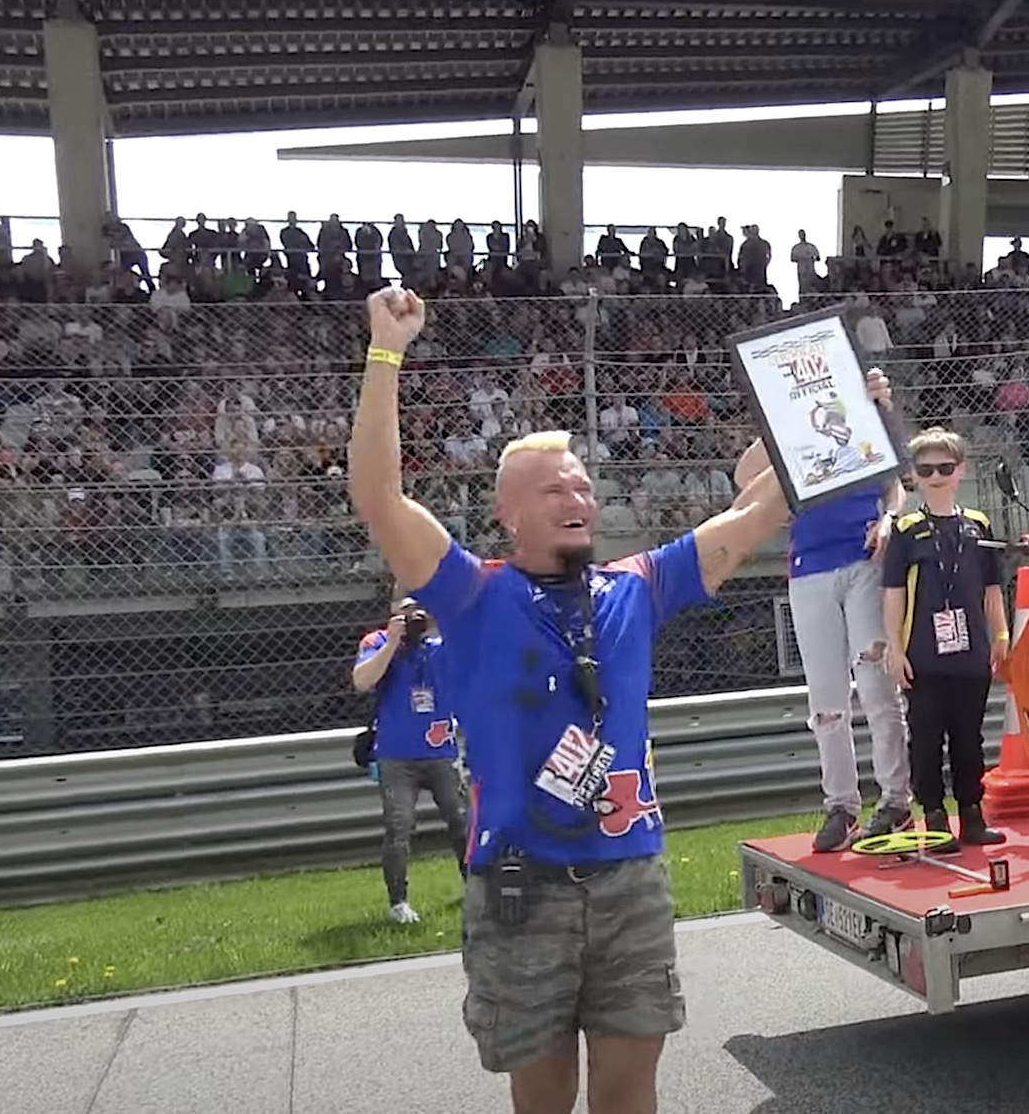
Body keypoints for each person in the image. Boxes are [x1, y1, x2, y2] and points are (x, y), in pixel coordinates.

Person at [346, 287, 884, 1114]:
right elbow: (380, 498)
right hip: (521, 884)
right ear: (507, 512)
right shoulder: (471, 595)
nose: (578, 498)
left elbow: (754, 512)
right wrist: (386, 352)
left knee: (631, 1092)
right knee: (544, 1092)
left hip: (629, 876)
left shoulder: (636, 586)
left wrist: (837, 412)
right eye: (555, 489)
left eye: (584, 486)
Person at [881, 428, 1010, 853]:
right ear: (913, 477)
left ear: (960, 472)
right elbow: (894, 593)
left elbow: (992, 588)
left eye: (945, 467)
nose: (936, 476)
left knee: (969, 737)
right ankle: (934, 818)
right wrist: (895, 649)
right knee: (926, 738)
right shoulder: (906, 529)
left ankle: (972, 814)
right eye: (926, 469)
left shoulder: (978, 525)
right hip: (923, 656)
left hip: (971, 653)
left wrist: (1001, 634)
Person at [785, 459, 914, 853]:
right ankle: (841, 806)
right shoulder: (790, 427)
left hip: (863, 559)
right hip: (809, 569)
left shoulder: (860, 419)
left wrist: (890, 517)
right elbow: (746, 474)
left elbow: (894, 481)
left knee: (878, 688)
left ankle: (896, 800)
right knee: (826, 699)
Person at [351, 593, 468, 924]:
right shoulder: (377, 642)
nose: (415, 617)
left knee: (461, 820)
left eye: (420, 610)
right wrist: (394, 641)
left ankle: (474, 887)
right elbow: (362, 681)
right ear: (393, 612)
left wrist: (439, 623)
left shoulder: (441, 643)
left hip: (441, 751)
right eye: (407, 610)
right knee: (398, 825)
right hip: (395, 753)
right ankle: (398, 902)